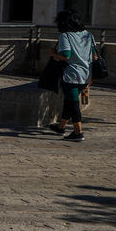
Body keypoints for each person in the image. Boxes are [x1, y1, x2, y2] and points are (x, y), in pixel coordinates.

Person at [49, 10, 96, 142]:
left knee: (73, 104)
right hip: (86, 75)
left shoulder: (66, 36)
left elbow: (65, 56)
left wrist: (53, 54)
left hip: (71, 75)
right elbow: (94, 55)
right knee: (70, 101)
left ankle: (78, 132)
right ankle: (60, 126)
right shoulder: (88, 35)